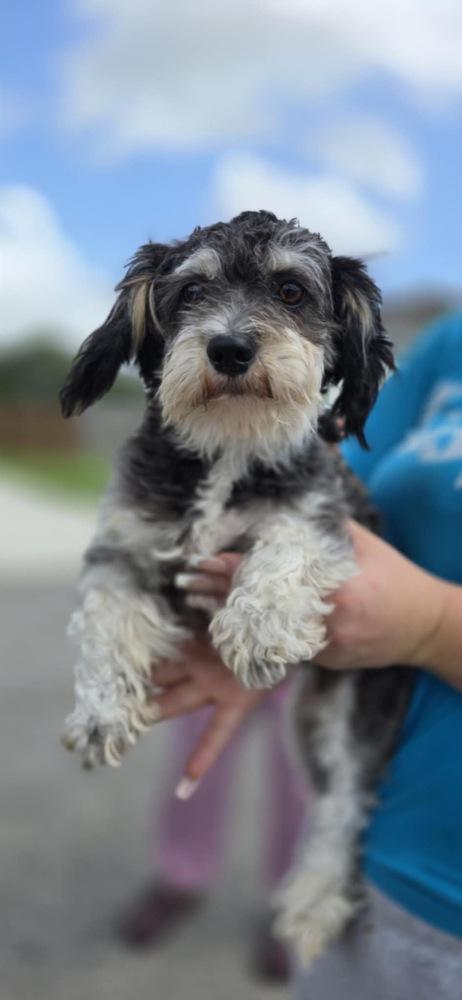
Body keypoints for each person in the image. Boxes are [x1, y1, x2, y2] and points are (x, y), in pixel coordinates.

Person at [147, 312, 462, 999]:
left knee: (289, 776)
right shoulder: (448, 343)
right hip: (369, 857)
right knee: (206, 744)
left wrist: (433, 624)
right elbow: (336, 473)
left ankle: (272, 896)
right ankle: (180, 875)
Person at [120, 685, 306, 982]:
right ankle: (180, 873)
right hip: (218, 650)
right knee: (195, 763)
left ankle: (294, 898)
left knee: (299, 779)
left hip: (311, 657)